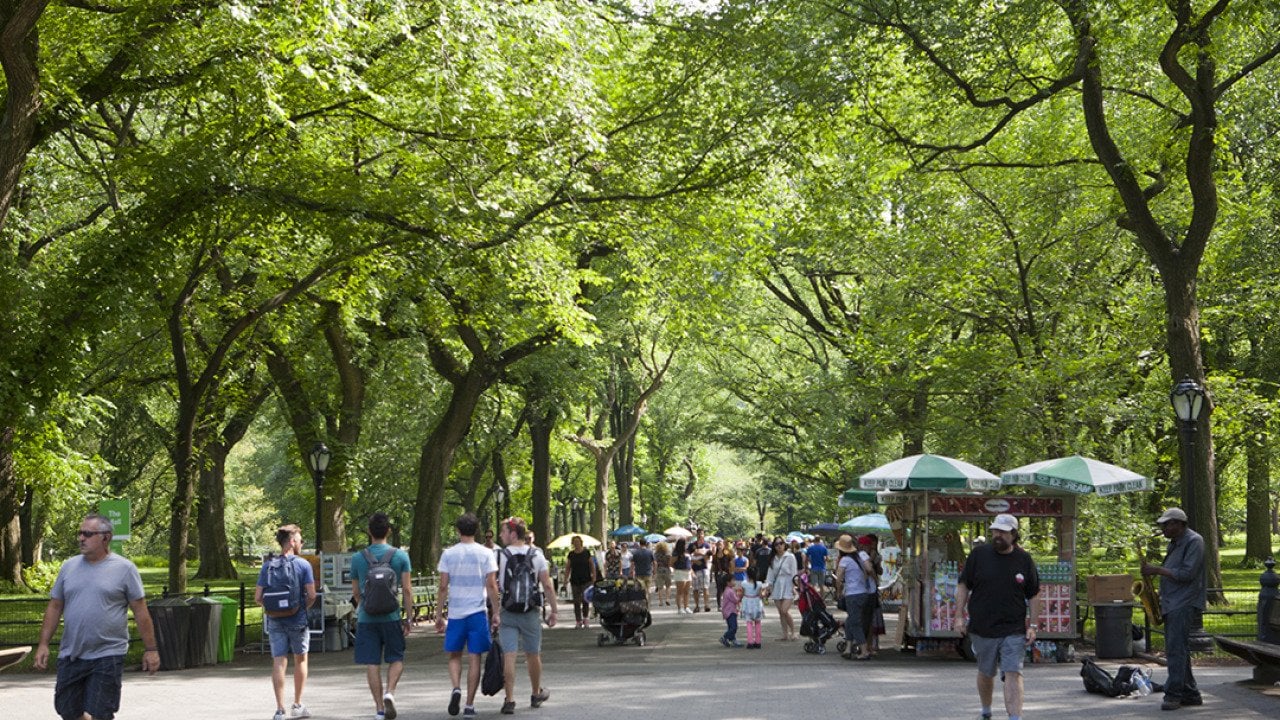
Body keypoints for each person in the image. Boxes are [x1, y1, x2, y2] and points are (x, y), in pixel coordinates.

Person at [34, 514, 160, 720]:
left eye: (88, 534)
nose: (81, 538)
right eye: (80, 533)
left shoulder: (124, 569)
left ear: (106, 538)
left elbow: (140, 611)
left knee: (101, 712)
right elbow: (55, 606)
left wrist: (151, 649)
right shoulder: (69, 567)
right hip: (71, 653)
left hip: (108, 653)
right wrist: (43, 644)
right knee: (66, 709)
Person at [955, 514, 1040, 720]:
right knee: (986, 673)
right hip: (983, 627)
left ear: (1014, 534)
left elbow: (1034, 593)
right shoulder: (979, 555)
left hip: (1014, 628)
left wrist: (1034, 625)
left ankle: (1015, 717)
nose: (998, 535)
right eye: (995, 531)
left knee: (1013, 671)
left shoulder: (1024, 560)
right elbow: (964, 585)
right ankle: (986, 710)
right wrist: (958, 616)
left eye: (1003, 532)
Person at [435, 512, 500, 719]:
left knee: (454, 655)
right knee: (475, 658)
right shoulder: (486, 553)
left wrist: (438, 614)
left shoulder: (448, 554)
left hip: (456, 613)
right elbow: (491, 585)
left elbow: (443, 586)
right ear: (477, 530)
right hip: (477, 612)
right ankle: (469, 705)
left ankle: (456, 687)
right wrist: (496, 612)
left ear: (457, 530)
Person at [1141, 507, 1205, 711]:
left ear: (1179, 524)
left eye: (1167, 524)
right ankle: (1190, 693)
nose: (1163, 528)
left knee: (1176, 650)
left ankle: (1174, 694)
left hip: (1184, 601)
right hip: (1173, 601)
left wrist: (1157, 570)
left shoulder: (1194, 541)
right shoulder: (1175, 543)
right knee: (1177, 650)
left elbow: (1187, 573)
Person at [351, 513, 414, 720]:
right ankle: (390, 692)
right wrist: (409, 617)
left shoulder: (358, 558)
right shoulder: (400, 556)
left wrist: (364, 607)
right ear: (388, 531)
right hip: (391, 617)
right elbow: (406, 590)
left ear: (369, 531)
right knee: (396, 658)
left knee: (372, 662)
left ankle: (379, 709)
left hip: (367, 619)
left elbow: (356, 593)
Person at [255, 524, 318, 720]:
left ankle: (280, 710)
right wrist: (300, 607)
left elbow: (258, 597)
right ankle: (297, 705)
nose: (301, 543)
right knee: (300, 659)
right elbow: (312, 595)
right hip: (297, 618)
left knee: (279, 662)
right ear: (291, 542)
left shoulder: (267, 566)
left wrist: (273, 607)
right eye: (299, 539)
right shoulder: (303, 565)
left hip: (274, 619)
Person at [495, 516, 558, 714]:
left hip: (508, 612)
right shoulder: (537, 555)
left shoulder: (499, 556)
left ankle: (510, 699)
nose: (500, 535)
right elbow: (547, 585)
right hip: (530, 612)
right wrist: (554, 610)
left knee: (509, 656)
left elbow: (492, 585)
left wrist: (495, 611)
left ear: (513, 534)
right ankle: (535, 693)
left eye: (503, 532)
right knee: (533, 654)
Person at [834, 533, 875, 660]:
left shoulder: (845, 560)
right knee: (850, 621)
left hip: (852, 595)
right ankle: (848, 648)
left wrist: (838, 591)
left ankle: (864, 651)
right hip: (863, 593)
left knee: (855, 623)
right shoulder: (859, 557)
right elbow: (869, 569)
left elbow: (839, 579)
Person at [765, 537, 798, 641]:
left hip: (788, 584)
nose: (779, 546)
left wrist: (794, 587)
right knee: (780, 612)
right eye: (776, 544)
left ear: (784, 544)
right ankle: (785, 634)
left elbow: (794, 573)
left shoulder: (790, 556)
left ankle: (793, 632)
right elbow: (770, 574)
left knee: (784, 610)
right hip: (777, 585)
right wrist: (768, 587)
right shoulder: (773, 558)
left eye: (781, 543)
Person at [563, 536, 596, 629]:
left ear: (581, 543)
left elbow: (592, 565)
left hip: (586, 580)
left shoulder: (586, 553)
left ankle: (585, 618)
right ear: (573, 543)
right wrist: (565, 580)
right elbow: (568, 568)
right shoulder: (571, 554)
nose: (576, 543)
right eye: (574, 542)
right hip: (575, 580)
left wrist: (594, 577)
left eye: (578, 542)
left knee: (585, 600)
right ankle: (578, 620)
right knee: (576, 601)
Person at [739, 567, 765, 649]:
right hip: (757, 603)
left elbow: (742, 594)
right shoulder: (760, 584)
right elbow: (761, 596)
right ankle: (758, 642)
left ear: (747, 574)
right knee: (758, 623)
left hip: (747, 602)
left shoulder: (744, 583)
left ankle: (750, 642)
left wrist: (738, 600)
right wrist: (765, 592)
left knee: (749, 623)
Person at [690, 530, 712, 612]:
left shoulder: (706, 545)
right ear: (696, 535)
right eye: (698, 534)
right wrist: (695, 561)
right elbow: (687, 557)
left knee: (705, 587)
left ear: (703, 535)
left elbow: (708, 557)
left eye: (701, 534)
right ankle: (697, 606)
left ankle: (706, 605)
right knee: (695, 589)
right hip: (695, 569)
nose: (700, 535)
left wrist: (700, 553)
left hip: (704, 569)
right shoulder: (692, 545)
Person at [719, 574, 743, 648]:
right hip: (731, 612)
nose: (734, 581)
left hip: (727, 611)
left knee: (730, 627)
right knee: (734, 627)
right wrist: (740, 596)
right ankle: (725, 637)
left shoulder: (727, 590)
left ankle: (733, 640)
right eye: (733, 580)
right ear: (728, 582)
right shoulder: (730, 591)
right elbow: (736, 600)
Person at [671, 538, 693, 613]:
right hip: (680, 572)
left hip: (688, 572)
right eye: (685, 543)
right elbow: (671, 563)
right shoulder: (676, 552)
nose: (686, 544)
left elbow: (690, 562)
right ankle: (680, 608)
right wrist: (677, 569)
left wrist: (691, 571)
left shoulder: (687, 551)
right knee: (680, 591)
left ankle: (686, 606)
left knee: (687, 591)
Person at [653, 541, 673, 606]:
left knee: (660, 587)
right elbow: (670, 563)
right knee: (668, 586)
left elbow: (655, 563)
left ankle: (661, 602)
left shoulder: (656, 554)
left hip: (659, 570)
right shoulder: (668, 553)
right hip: (667, 569)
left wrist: (655, 572)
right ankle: (667, 599)